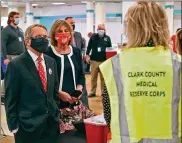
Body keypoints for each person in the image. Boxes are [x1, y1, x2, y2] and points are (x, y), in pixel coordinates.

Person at [100, 2, 181, 143]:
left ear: (130, 27)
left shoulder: (114, 66)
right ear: (163, 26)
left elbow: (109, 113)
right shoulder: (178, 65)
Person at [5, 24, 60, 143]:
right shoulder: (16, 65)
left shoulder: (51, 62)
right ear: (28, 42)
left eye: (46, 37)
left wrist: (56, 113)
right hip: (27, 127)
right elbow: (11, 99)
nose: (44, 40)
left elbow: (54, 93)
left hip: (51, 124)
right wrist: (14, 127)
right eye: (39, 36)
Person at [46, 20, 94, 133]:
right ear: (54, 35)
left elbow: (81, 75)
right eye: (60, 31)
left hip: (75, 104)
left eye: (66, 31)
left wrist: (79, 88)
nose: (63, 34)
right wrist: (58, 93)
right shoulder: (47, 53)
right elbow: (45, 80)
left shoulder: (76, 52)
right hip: (56, 105)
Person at [65, 16, 89, 107]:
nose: (73, 25)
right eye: (71, 23)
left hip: (79, 63)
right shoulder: (64, 36)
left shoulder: (78, 35)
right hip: (68, 64)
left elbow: (83, 46)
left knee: (82, 85)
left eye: (74, 23)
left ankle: (86, 107)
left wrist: (83, 54)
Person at [86, 24, 112, 97]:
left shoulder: (107, 38)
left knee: (103, 78)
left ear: (104, 30)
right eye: (99, 29)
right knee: (93, 77)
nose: (101, 31)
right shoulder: (93, 37)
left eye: (102, 29)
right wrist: (87, 55)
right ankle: (92, 92)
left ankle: (103, 92)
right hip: (94, 60)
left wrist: (109, 59)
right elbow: (89, 47)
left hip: (104, 61)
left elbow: (110, 49)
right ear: (97, 30)